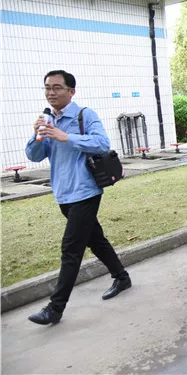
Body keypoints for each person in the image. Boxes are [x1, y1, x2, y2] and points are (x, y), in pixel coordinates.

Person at [25, 70, 131, 325]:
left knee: (71, 249)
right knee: (95, 239)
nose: (51, 92)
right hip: (63, 193)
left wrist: (66, 137)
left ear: (71, 91)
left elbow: (102, 144)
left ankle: (55, 308)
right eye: (47, 88)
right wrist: (37, 134)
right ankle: (122, 277)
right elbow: (34, 156)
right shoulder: (47, 120)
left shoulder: (84, 115)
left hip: (86, 191)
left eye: (57, 87)